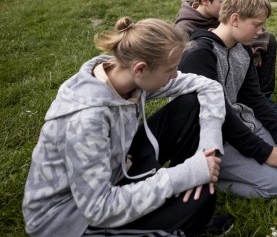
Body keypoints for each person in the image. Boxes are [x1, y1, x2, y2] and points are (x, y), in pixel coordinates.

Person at [23, 18, 230, 237]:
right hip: (68, 219)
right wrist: (182, 176)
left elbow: (209, 87)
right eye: (170, 69)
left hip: (116, 170)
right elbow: (99, 209)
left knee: (190, 104)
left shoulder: (124, 74)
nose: (175, 75)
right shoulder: (86, 121)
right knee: (201, 202)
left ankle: (185, 202)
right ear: (140, 69)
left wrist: (207, 149)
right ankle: (181, 216)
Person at [179, 0, 277, 199]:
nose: (260, 32)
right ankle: (205, 176)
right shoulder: (200, 54)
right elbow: (219, 116)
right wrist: (265, 153)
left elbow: (255, 98)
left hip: (239, 126)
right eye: (256, 25)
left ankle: (248, 163)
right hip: (210, 140)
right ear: (235, 19)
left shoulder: (243, 49)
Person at [175, 0, 277, 121]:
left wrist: (255, 51)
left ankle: (264, 97)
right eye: (223, 1)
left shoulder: (220, 16)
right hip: (208, 77)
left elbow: (248, 32)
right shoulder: (186, 27)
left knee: (269, 41)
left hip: (231, 65)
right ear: (205, 0)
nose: (228, 5)